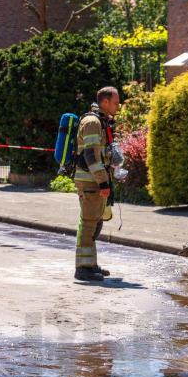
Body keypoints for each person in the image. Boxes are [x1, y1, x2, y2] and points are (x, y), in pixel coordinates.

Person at [73, 86, 120, 282]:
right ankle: (83, 268)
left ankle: (90, 264)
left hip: (94, 181)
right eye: (116, 102)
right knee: (90, 223)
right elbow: (91, 155)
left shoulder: (100, 121)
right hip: (91, 181)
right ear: (105, 102)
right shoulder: (93, 122)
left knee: (93, 223)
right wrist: (103, 183)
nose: (118, 106)